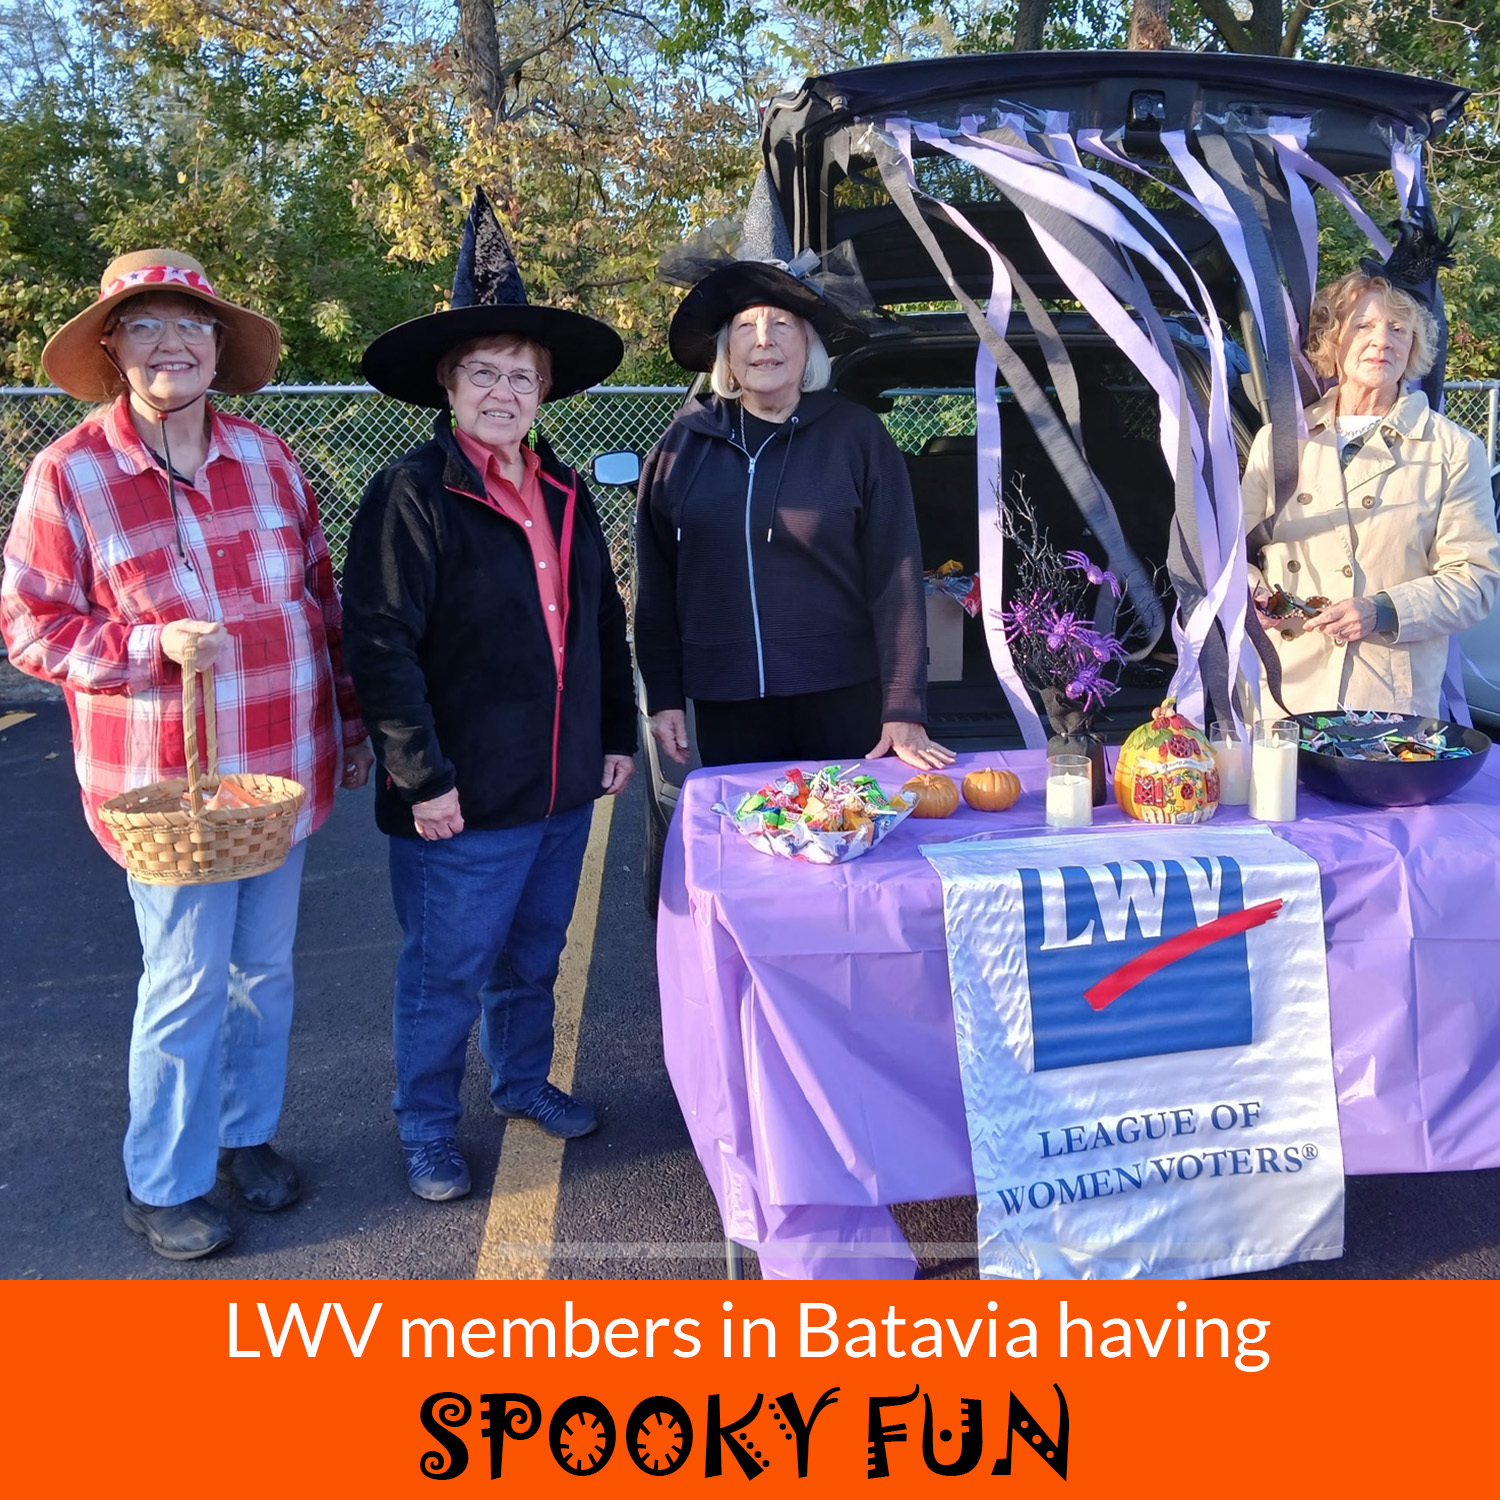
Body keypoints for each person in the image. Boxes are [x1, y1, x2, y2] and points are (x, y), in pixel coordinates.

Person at [0, 248, 372, 1261]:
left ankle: (246, 1136)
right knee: (185, 981)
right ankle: (163, 1179)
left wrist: (349, 726)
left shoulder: (268, 460)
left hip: (279, 774)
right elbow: (28, 627)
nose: (173, 345)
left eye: (193, 325)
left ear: (219, 345)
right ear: (113, 347)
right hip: (163, 793)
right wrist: (138, 647)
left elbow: (322, 604)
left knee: (265, 974)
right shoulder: (71, 472)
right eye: (147, 326)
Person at [340, 192, 635, 1203]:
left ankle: (519, 1082)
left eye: (521, 374)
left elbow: (600, 621)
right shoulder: (411, 494)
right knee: (444, 974)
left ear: (543, 389)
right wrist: (419, 777)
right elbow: (378, 646)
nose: (504, 390)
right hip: (459, 799)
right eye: (484, 373)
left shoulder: (564, 489)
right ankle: (425, 1123)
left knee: (534, 958)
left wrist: (615, 735)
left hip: (557, 790)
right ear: (449, 385)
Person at [634, 258, 955, 771]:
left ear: (808, 346)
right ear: (727, 354)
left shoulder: (857, 436)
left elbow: (895, 575)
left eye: (781, 324)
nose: (764, 340)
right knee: (746, 842)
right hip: (726, 701)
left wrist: (902, 705)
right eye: (746, 327)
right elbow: (655, 582)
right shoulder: (684, 443)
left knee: (847, 832)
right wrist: (665, 695)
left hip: (843, 695)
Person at [1244, 268, 1500, 715]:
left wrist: (1382, 609)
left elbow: (1475, 583)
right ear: (1332, 339)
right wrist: (1253, 594)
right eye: (1364, 325)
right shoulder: (1280, 439)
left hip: (1385, 700)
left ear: (1414, 346)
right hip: (1283, 694)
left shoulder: (1453, 449)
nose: (1383, 341)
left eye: (1399, 329)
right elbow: (1232, 552)